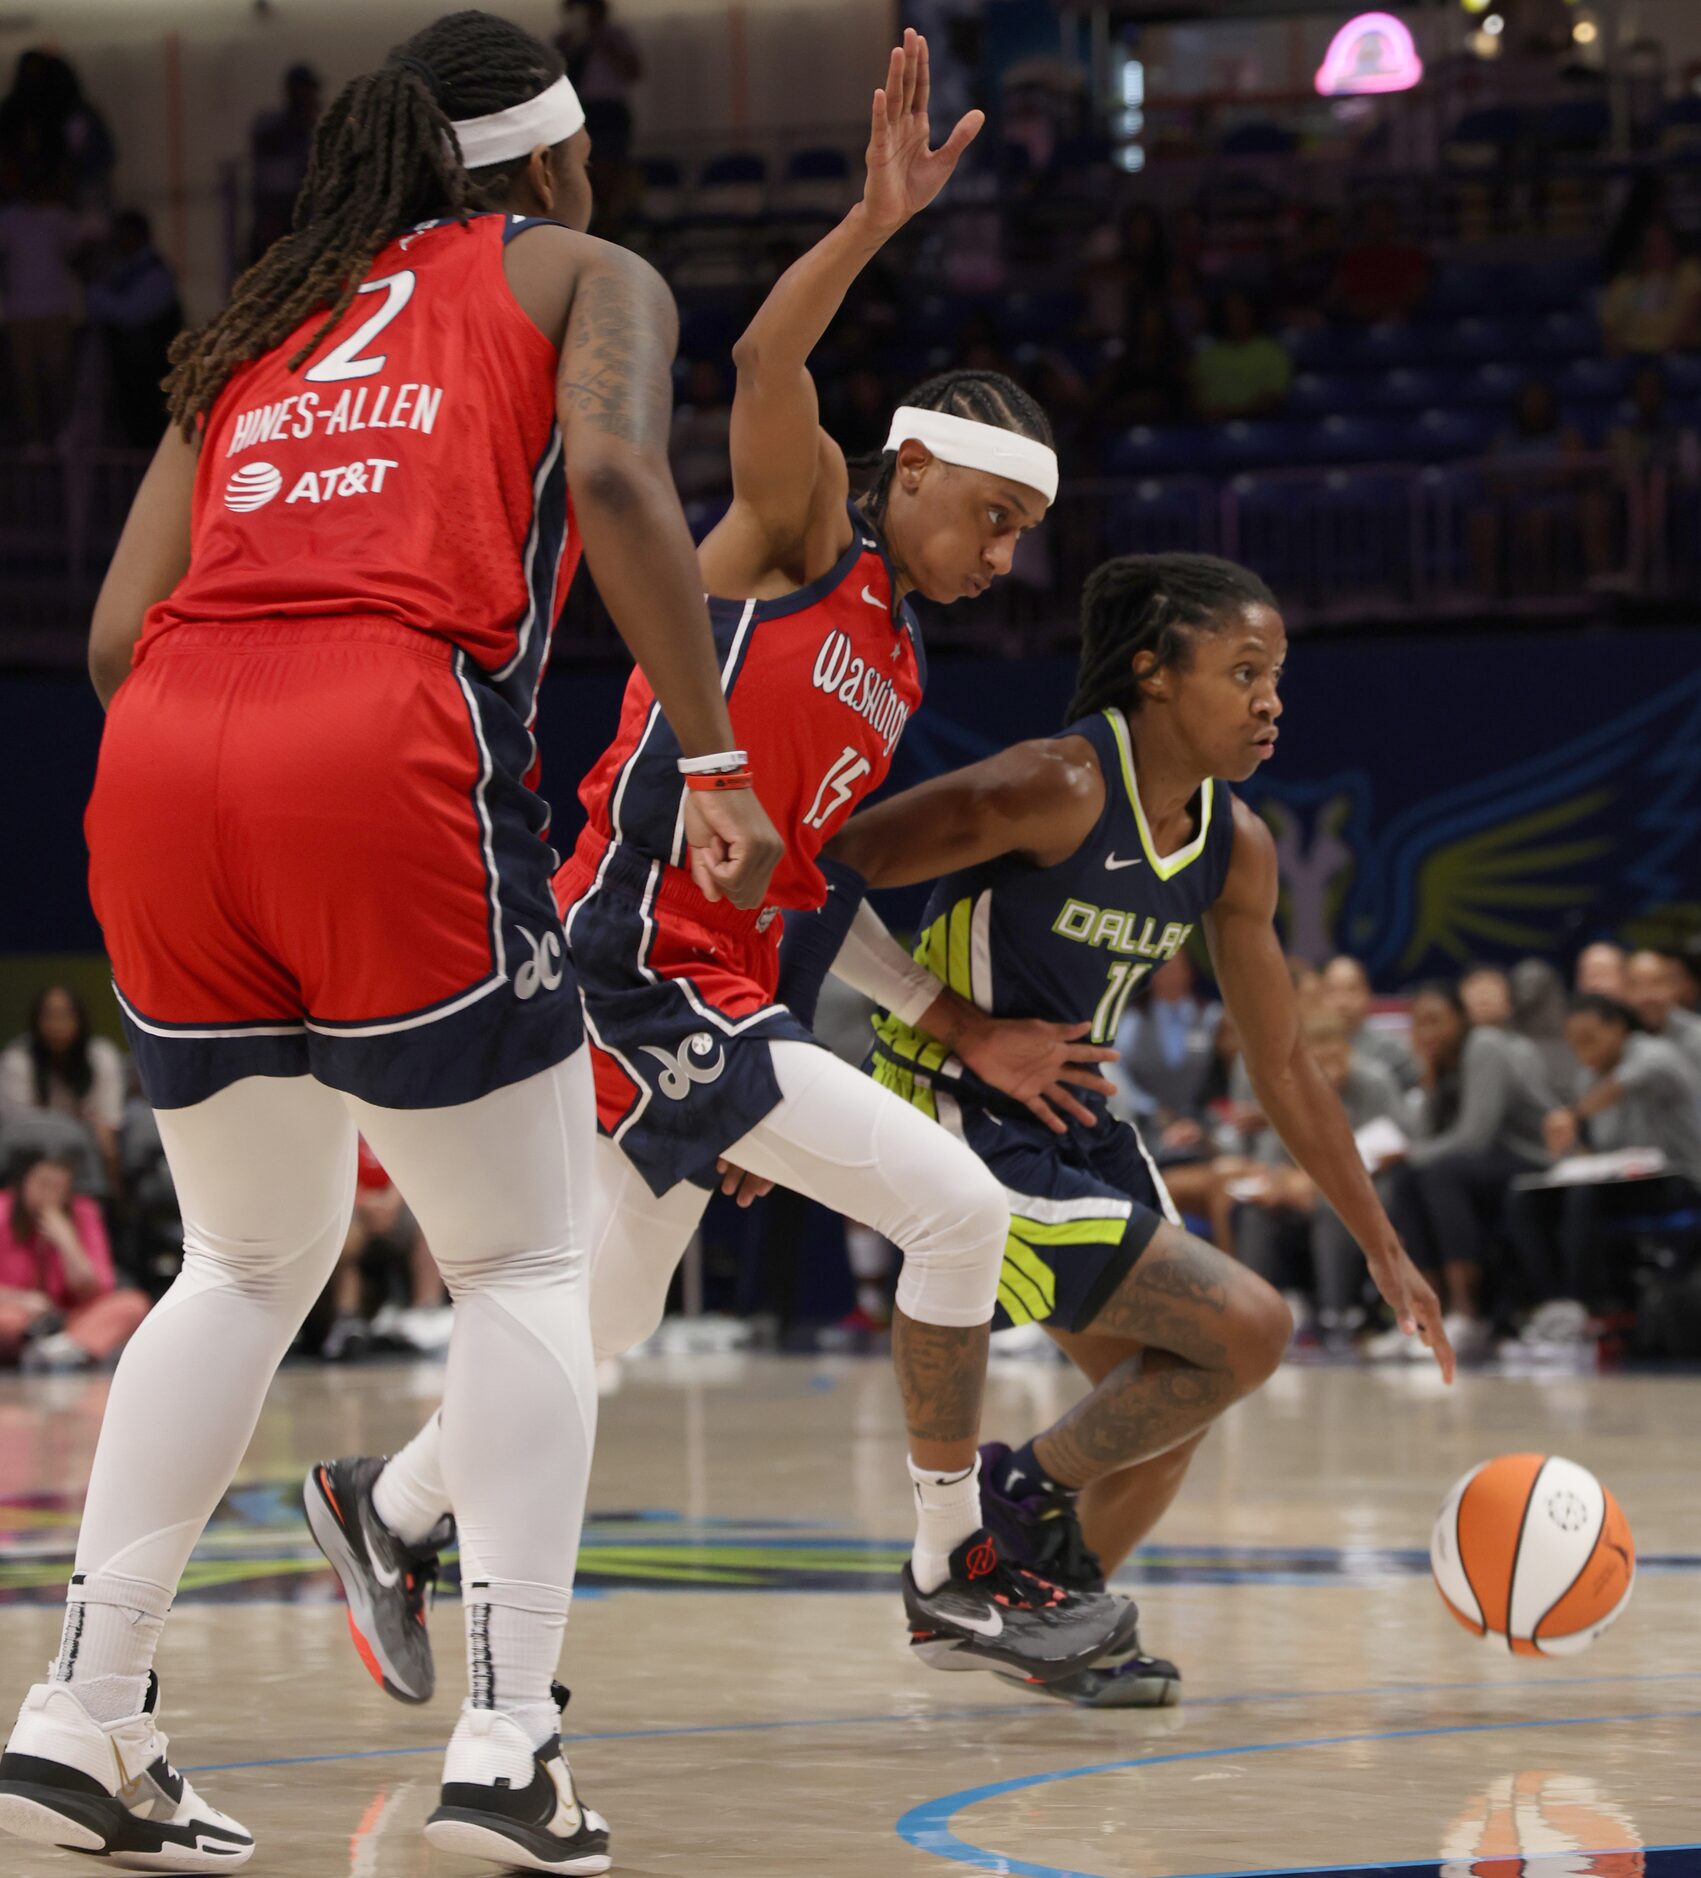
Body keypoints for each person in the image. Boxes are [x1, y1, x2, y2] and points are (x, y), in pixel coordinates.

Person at [0, 14, 781, 1875]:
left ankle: (83, 1712)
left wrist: (236, 727)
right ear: (554, 156)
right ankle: (508, 1745)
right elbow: (612, 483)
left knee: (243, 1260)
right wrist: (721, 752)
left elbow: (117, 636)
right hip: (383, 731)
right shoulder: (587, 271)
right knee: (522, 1255)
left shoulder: (258, 314)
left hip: (167, 751)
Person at [308, 29, 1130, 1725]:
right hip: (630, 961)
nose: (1001, 553)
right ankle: (948, 1558)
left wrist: (824, 1052)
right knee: (958, 1207)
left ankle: (379, 1510)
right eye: (986, 515)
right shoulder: (810, 516)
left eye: (1018, 536)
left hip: (713, 989)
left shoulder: (895, 661)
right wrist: (872, 221)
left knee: (593, 1325)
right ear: (908, 468)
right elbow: (762, 351)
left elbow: (795, 883)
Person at [778, 551, 1455, 1707]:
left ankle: (1054, 1625)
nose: (1271, 699)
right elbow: (820, 869)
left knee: (1168, 1403)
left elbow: (1285, 1060)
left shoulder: (1234, 847)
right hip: (951, 1103)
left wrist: (1384, 1244)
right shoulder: (1055, 785)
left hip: (1077, 1120)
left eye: (1277, 674)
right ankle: (1004, 1505)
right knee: (1251, 1329)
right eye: (1244, 671)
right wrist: (956, 1024)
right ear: (1153, 671)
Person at [1378, 982, 1556, 1363]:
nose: (1427, 1032)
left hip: (1528, 1157)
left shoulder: (1484, 1046)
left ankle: (1465, 1313)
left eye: (1436, 1021)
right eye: (1419, 1024)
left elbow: (1475, 1136)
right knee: (1407, 1179)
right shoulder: (1438, 1062)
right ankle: (1425, 1316)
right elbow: (1426, 1136)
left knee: (1437, 1173)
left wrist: (1412, 1154)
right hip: (1477, 1165)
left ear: (1460, 1019)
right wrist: (1428, 1076)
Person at [1510, 994, 1701, 1315]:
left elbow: (1623, 1085)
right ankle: (1550, 1305)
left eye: (1590, 1039)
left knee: (1584, 1197)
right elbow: (1597, 1149)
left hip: (1678, 1179)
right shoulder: (1588, 1077)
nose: (1584, 1052)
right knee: (1525, 1199)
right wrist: (1572, 1154)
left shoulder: (1656, 1053)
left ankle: (1584, 1306)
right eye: (1574, 1044)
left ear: (1618, 1028)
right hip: (1620, 1180)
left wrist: (1572, 1115)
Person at [1233, 1011, 1405, 1348]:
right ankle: (1252, 1317)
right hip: (1306, 1192)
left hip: (1372, 1190)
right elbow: (1270, 1157)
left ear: (1349, 1051)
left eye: (1336, 1055)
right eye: (1319, 1058)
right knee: (1257, 1213)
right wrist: (1279, 1183)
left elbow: (1397, 1142)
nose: (1330, 1065)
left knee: (1332, 1207)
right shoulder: (1291, 1091)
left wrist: (1317, 1183)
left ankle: (1336, 1316)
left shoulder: (1375, 1082)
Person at [0, 1150, 149, 1371]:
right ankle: (56, 1353)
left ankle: (61, 1352)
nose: (50, 1195)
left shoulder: (84, 1212)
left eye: (59, 1188)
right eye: (43, 1184)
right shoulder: (3, 1209)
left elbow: (97, 1289)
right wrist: (23, 1300)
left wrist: (67, 1241)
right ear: (24, 1182)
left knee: (132, 1304)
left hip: (71, 1320)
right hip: (18, 1317)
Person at [0, 985, 127, 1192]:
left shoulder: (101, 1056)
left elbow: (109, 1123)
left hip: (87, 1152)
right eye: (50, 1015)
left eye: (66, 1015)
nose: (58, 1024)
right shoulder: (17, 1060)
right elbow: (19, 1130)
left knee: (108, 1143)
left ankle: (110, 1209)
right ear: (36, 1020)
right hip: (32, 1154)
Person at [85, 209, 183, 446]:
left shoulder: (156, 272)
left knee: (149, 433)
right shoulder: (123, 270)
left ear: (137, 235)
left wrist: (95, 291)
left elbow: (129, 314)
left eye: (122, 235)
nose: (116, 241)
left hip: (152, 374)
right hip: (130, 374)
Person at [246, 63, 321, 261]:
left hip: (297, 230)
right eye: (308, 92)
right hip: (276, 230)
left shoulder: (306, 138)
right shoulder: (275, 133)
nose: (313, 99)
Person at [1321, 953, 1417, 1090]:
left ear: (1367, 994)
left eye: (1351, 989)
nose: (1342, 1002)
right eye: (1332, 991)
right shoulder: (1309, 1052)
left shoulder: (1393, 1050)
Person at [1624, 948, 1701, 1079]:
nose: (1647, 995)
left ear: (1673, 987)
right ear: (1623, 990)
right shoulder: (1611, 1035)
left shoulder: (1697, 1036)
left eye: (1657, 983)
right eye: (1637, 985)